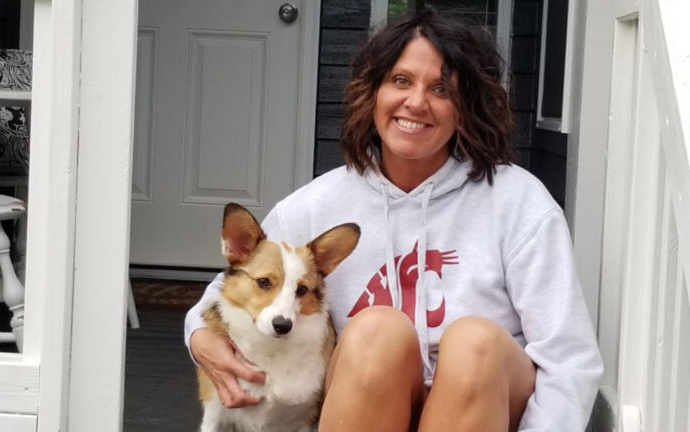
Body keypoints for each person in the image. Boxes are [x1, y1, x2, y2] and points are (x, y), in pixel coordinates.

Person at [185, 7, 603, 431]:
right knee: (375, 333)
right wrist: (200, 342)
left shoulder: (518, 201)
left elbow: (568, 357)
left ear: (466, 107)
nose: (416, 102)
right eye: (400, 81)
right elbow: (216, 304)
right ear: (374, 92)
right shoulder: (315, 206)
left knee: (475, 341)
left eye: (441, 89)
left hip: (486, 404)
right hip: (366, 400)